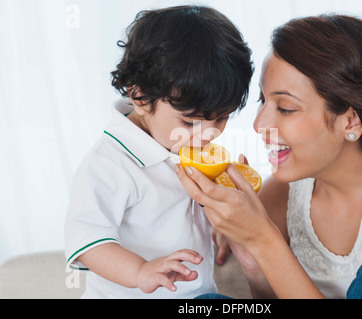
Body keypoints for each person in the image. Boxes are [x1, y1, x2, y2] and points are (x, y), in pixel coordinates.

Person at [177, 15, 362, 299]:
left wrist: (263, 238)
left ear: (351, 121)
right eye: (263, 101)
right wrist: (252, 258)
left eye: (285, 108)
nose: (259, 125)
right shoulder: (279, 196)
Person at [64, 5, 253, 298]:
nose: (209, 134)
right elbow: (87, 242)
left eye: (223, 117)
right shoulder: (108, 164)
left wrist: (224, 220)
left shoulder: (183, 146)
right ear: (139, 96)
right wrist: (141, 270)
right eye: (191, 121)